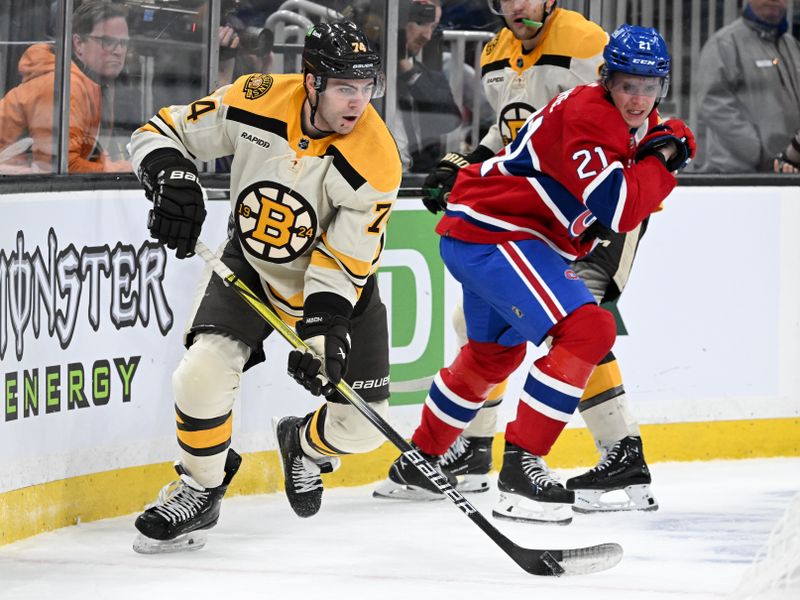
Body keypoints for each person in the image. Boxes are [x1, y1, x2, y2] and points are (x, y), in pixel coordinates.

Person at [377, 24, 695, 525]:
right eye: (628, 84)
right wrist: (665, 158)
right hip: (498, 234)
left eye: (649, 86)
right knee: (590, 329)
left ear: (663, 87)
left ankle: (420, 462)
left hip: (486, 231)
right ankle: (522, 468)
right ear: (607, 79)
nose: (638, 98)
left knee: (491, 355)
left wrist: (657, 148)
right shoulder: (591, 113)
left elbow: (627, 179)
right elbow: (619, 208)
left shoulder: (623, 117)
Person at [128, 20, 401, 553]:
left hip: (335, 294)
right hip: (251, 265)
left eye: (368, 88)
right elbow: (158, 132)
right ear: (313, 81)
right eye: (346, 87)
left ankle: (301, 442)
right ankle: (199, 489)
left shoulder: (376, 159)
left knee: (362, 431)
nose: (359, 102)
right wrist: (172, 177)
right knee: (201, 373)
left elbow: (341, 264)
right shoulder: (255, 98)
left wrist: (323, 339)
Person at [0, 0, 131, 174]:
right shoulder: (63, 85)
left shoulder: (95, 84)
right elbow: (61, 168)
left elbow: (85, 153)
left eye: (124, 43)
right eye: (108, 41)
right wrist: (122, 169)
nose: (119, 51)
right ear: (78, 44)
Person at [695, 0, 800, 173]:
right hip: (737, 177)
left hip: (786, 172)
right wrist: (759, 153)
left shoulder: (792, 45)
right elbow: (712, 104)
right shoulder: (725, 43)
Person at [393, 0, 463, 172]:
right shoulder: (363, 74)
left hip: (416, 178)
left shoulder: (430, 77)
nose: (427, 35)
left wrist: (409, 73)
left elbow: (449, 120)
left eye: (433, 27)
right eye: (421, 23)